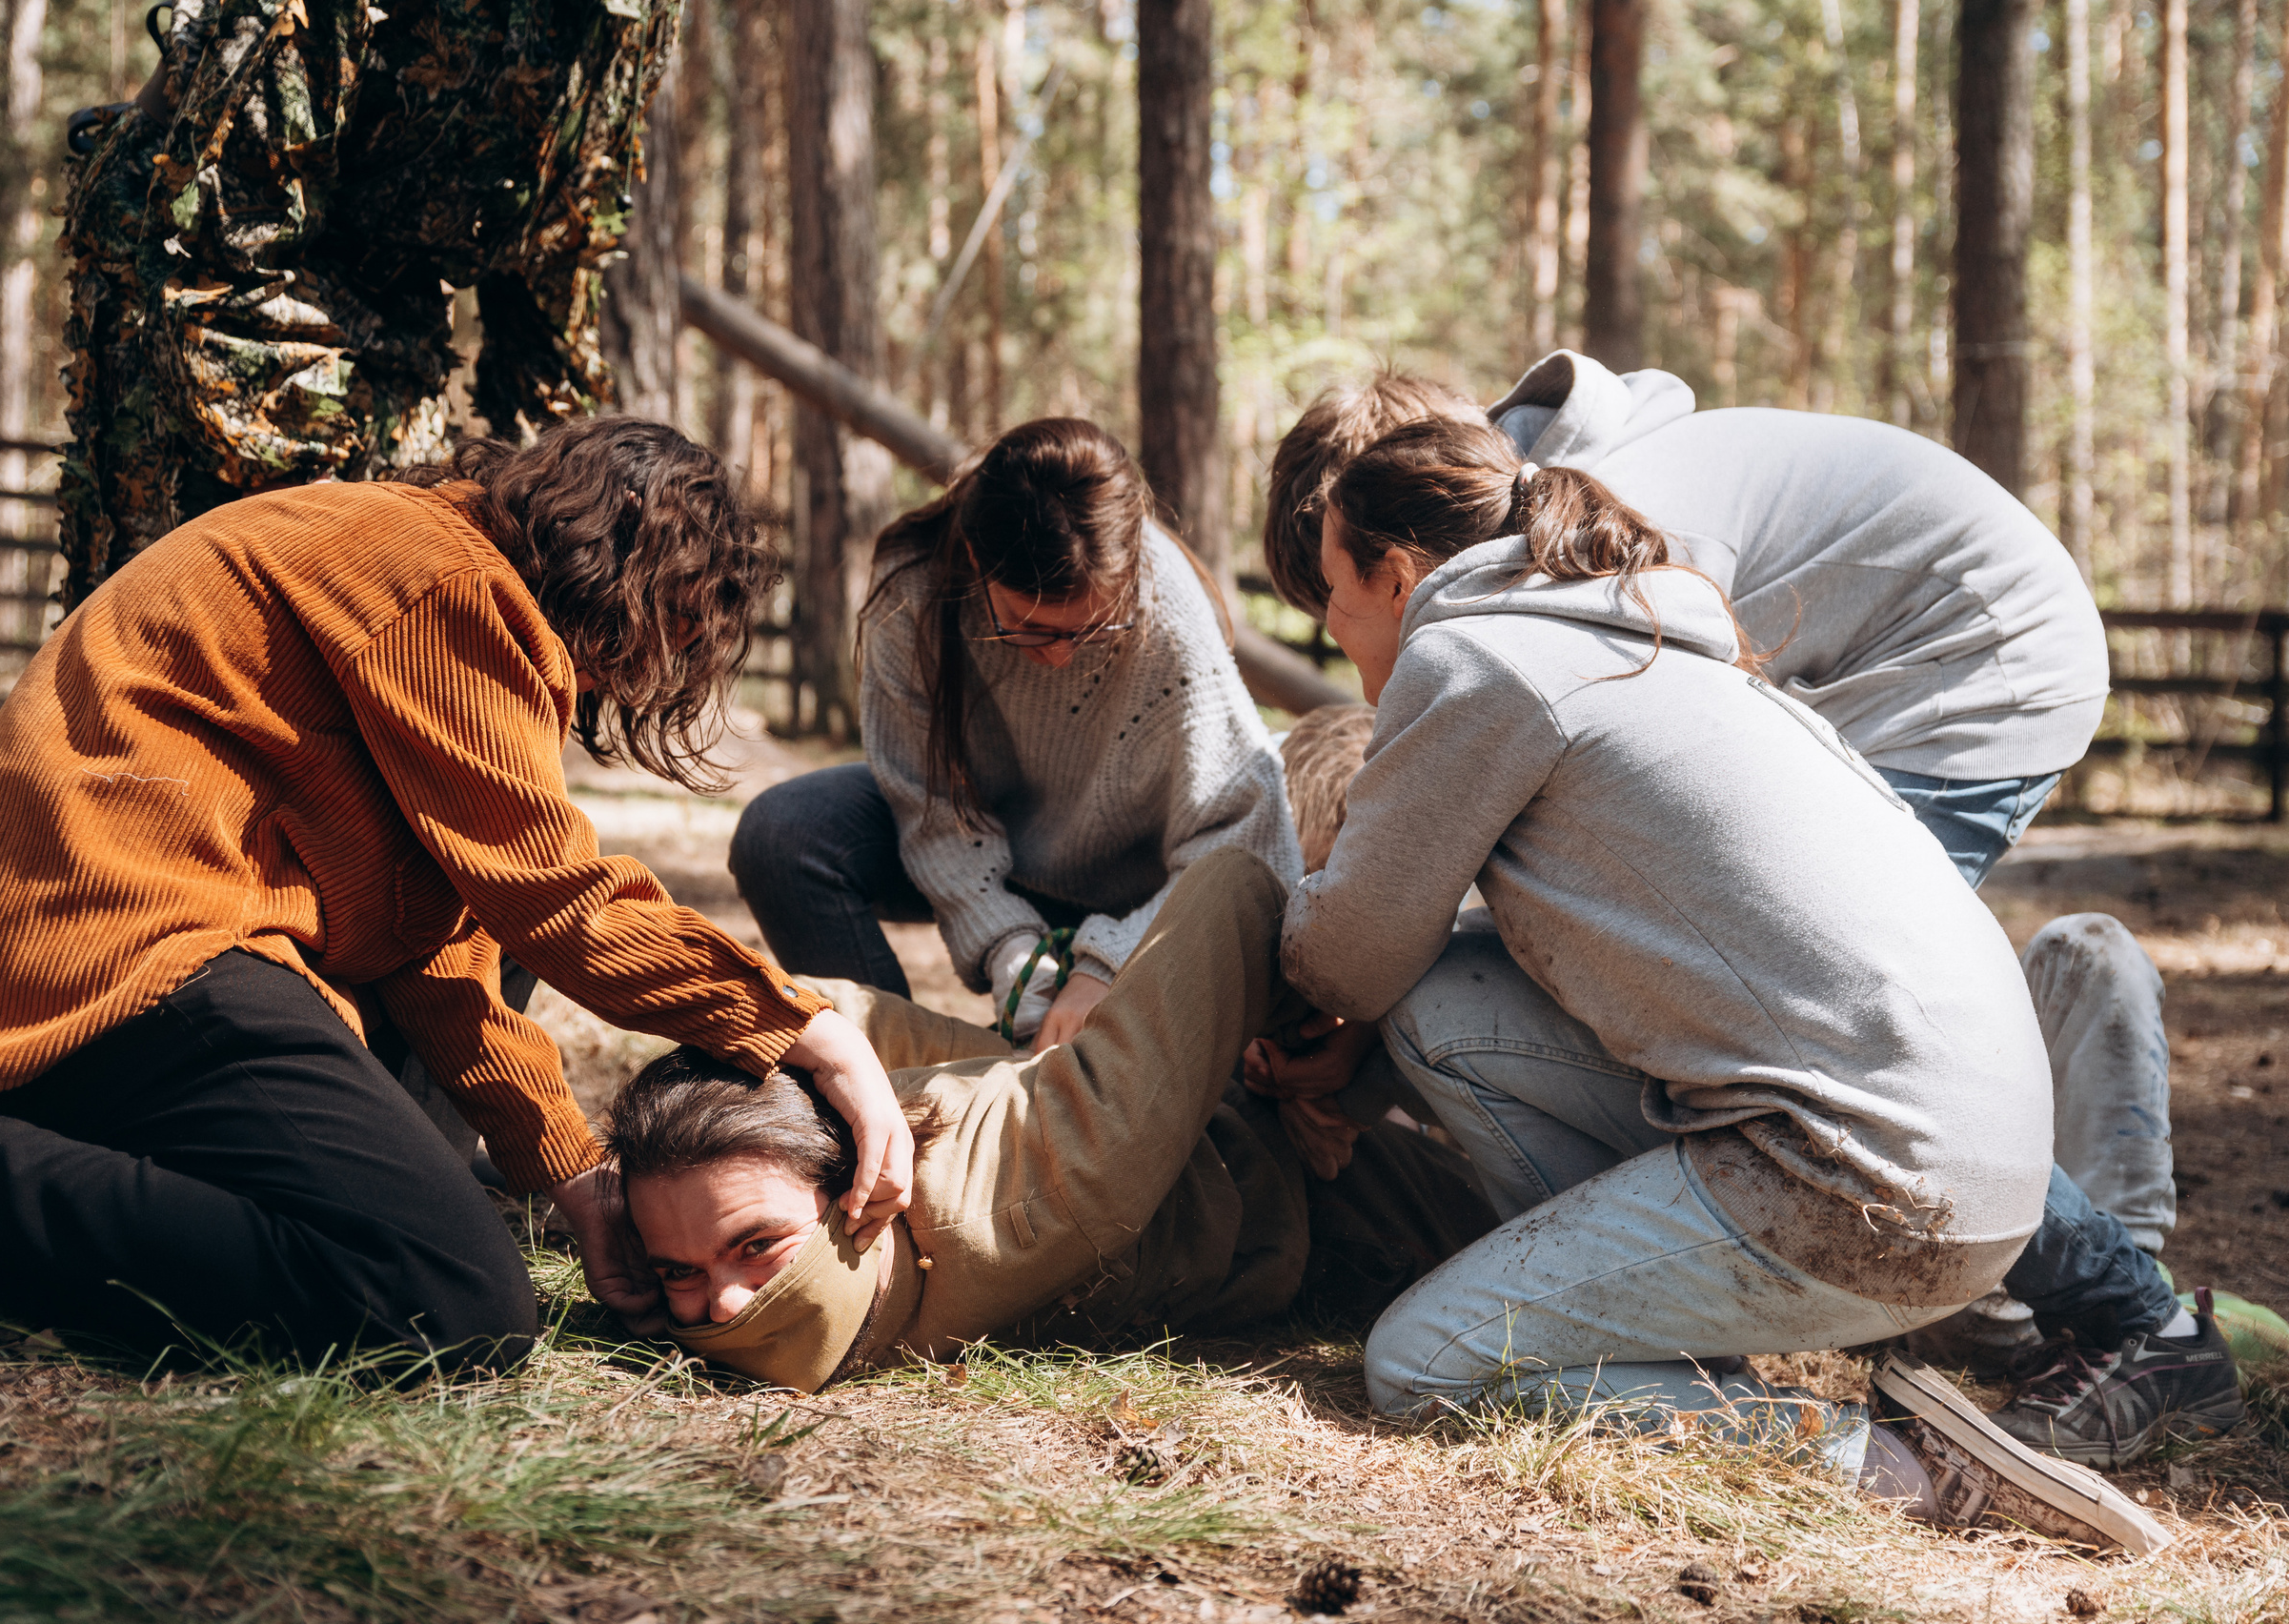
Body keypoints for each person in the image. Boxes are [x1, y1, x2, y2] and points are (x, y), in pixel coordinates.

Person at [1260, 362, 2232, 1469]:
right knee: (1451, 1001)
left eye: (1330, 593)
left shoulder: (1476, 645)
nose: (1328, 627)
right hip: (1944, 1142)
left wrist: (1281, 932)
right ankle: (1675, 1310)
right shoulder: (1625, 593)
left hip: (1968, 684)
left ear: (1395, 575)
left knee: (1420, 1363)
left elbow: (1348, 957)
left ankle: (1916, 1450)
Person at [0, 418, 910, 1370]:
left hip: (129, 939)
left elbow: (435, 944)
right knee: (446, 1300)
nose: (621, 685)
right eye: (657, 642)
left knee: (422, 1229)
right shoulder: (439, 576)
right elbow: (553, 894)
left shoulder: (417, 579)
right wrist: (808, 1031)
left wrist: (573, 1178)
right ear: (631, 581)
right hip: (129, 939)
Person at [610, 848, 1493, 1390]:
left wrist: (1333, 1047)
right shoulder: (1020, 1180)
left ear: (864, 1170)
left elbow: (1237, 892)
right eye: (674, 1270)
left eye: (755, 1245)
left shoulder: (1037, 1174)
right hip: (1275, 1191)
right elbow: (1235, 888)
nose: (722, 1305)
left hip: (1298, 1162)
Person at [729, 418, 1301, 1049]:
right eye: (1028, 629)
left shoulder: (1169, 614)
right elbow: (928, 808)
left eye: (1086, 631)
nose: (1058, 656)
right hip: (990, 853)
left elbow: (1248, 844)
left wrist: (1109, 963)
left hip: (1135, 896)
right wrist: (1006, 942)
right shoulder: (914, 590)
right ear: (976, 559)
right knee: (782, 834)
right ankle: (891, 1075)